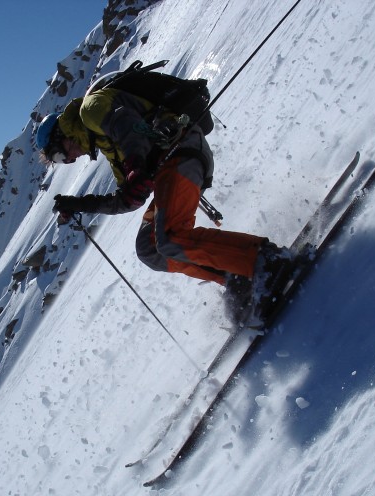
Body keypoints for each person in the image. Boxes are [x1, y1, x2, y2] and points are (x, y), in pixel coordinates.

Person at [34, 84, 292, 324]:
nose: (69, 160)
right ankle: (236, 276)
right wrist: (78, 204)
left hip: (183, 150)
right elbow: (127, 199)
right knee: (150, 249)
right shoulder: (108, 146)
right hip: (171, 167)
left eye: (60, 154)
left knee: (170, 237)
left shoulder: (90, 109)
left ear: (63, 134)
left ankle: (265, 261)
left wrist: (136, 166)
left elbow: (126, 124)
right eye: (61, 161)